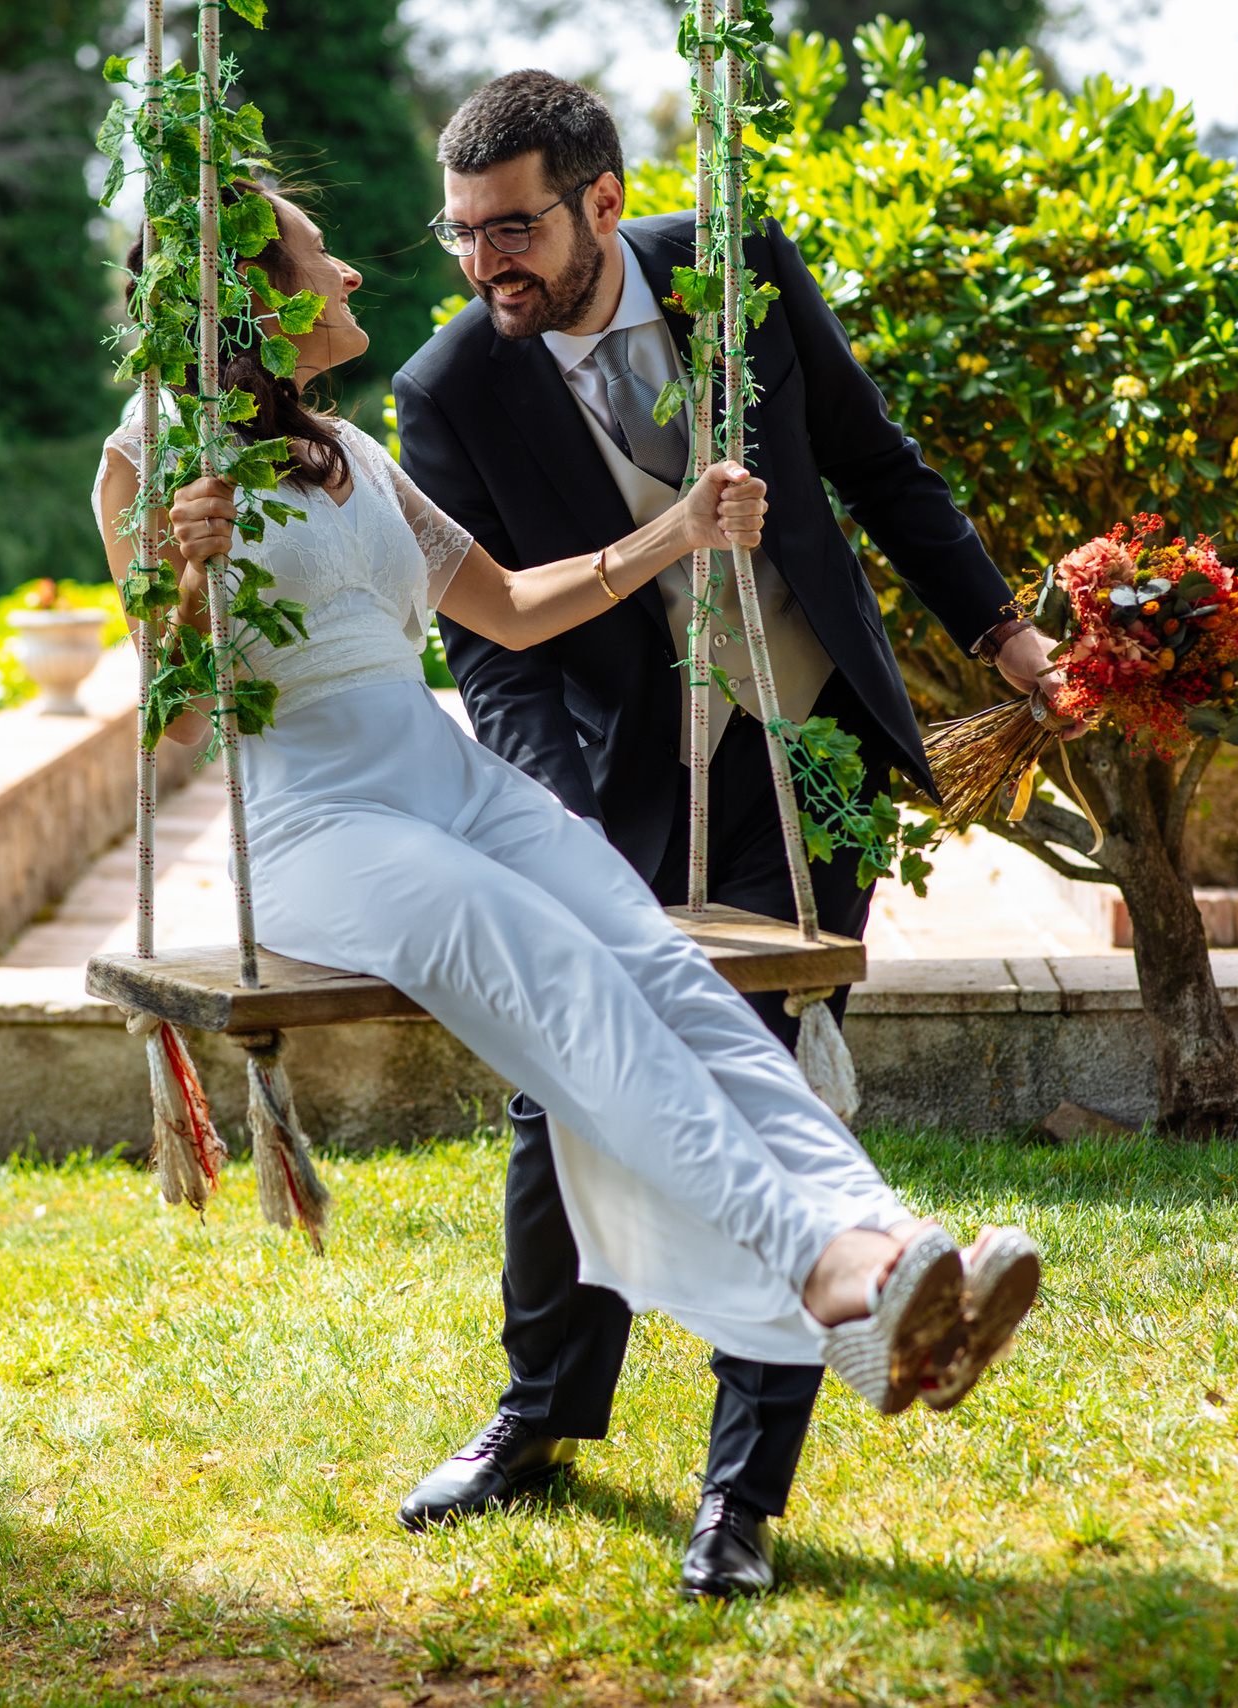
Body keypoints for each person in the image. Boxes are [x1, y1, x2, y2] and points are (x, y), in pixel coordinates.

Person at [95, 178, 1043, 1596]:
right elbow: (173, 715)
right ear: (254, 300)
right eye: (316, 254)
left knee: (669, 966)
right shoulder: (152, 463)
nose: (351, 269)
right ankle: (825, 1267)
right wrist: (186, 575)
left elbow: (518, 604)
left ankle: (889, 1245)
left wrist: (683, 535)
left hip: (448, 779)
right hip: (320, 825)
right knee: (568, 982)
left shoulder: (350, 448)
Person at [387, 72, 1070, 1596]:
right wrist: (554, 807)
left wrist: (1007, 637)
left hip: (804, 735)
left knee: (773, 1075)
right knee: (565, 1088)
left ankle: (740, 1496)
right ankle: (539, 1419)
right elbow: (491, 648)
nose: (486, 262)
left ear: (603, 204)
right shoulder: (449, 391)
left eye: (514, 228)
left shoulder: (736, 267)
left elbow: (880, 468)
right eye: (462, 235)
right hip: (610, 776)